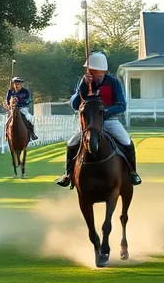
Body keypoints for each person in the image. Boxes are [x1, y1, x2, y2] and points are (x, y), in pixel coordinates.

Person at [55, 51, 141, 187]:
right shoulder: (84, 82)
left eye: (92, 70)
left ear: (100, 71)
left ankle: (133, 172)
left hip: (109, 121)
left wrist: (104, 113)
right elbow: (75, 104)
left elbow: (122, 105)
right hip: (88, 124)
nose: (89, 72)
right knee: (71, 143)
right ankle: (68, 174)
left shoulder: (113, 82)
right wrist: (83, 85)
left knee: (126, 141)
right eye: (88, 70)